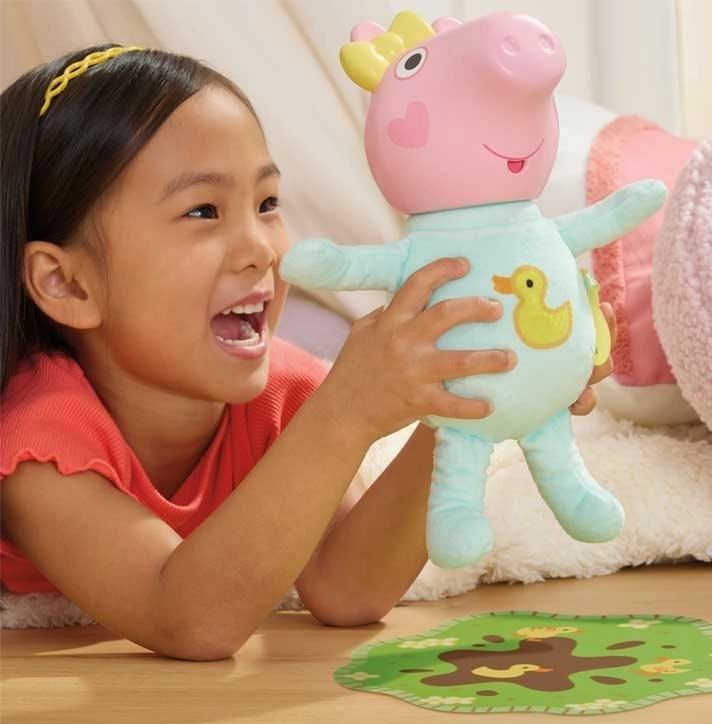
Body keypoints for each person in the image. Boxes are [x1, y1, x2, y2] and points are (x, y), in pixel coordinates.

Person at [0, 46, 616, 661]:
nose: (261, 249)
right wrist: (343, 414)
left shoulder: (282, 390)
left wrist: (464, 398)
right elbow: (187, 620)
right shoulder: (39, 440)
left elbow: (347, 590)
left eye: (267, 204)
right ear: (67, 284)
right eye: (203, 211)